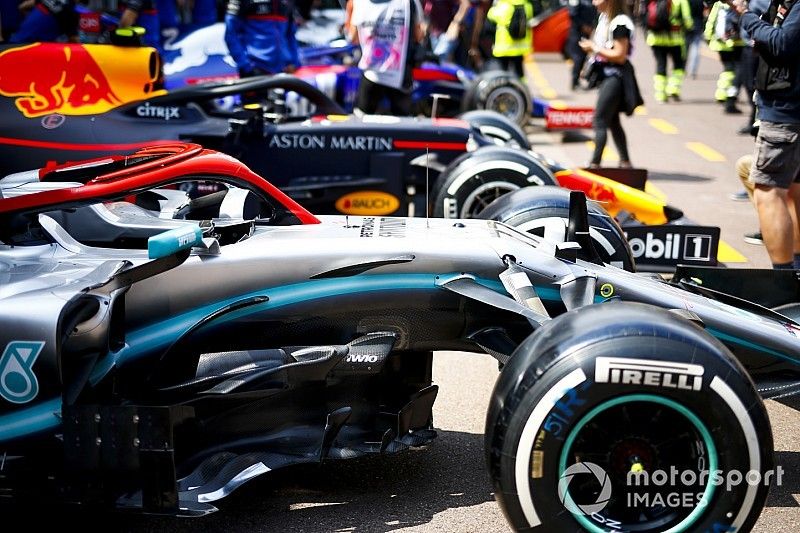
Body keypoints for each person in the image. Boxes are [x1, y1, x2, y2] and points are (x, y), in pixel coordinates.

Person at [726, 0, 800, 269]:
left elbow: (783, 43)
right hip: (786, 110)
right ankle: (795, 272)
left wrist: (747, 17)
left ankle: (784, 281)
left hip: (787, 113)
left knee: (769, 192)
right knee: (792, 190)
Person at [580, 0, 636, 168]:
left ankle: (594, 164)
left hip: (616, 77)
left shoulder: (620, 22)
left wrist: (594, 48)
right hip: (607, 75)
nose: (594, 2)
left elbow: (620, 54)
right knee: (612, 120)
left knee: (600, 120)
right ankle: (625, 162)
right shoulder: (605, 18)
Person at [347, 0, 425, 115]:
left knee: (361, 120)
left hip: (372, 72)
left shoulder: (359, 2)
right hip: (399, 74)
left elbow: (353, 38)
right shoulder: (410, 2)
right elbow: (418, 36)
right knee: (402, 123)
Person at [224, 0, 299, 78]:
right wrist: (245, 66)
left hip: (284, 70)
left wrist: (294, 62)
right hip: (255, 69)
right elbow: (231, 34)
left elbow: (290, 34)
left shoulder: (287, 2)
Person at [641, 0, 693, 103]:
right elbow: (688, 21)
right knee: (678, 64)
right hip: (675, 39)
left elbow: (644, 16)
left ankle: (660, 94)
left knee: (661, 65)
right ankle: (673, 88)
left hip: (655, 39)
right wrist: (688, 27)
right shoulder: (681, 1)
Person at [705, 0, 745, 113]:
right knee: (737, 70)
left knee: (728, 69)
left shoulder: (720, 3)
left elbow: (711, 19)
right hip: (737, 42)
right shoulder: (741, 3)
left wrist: (708, 36)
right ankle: (730, 96)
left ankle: (721, 94)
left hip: (721, 42)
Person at [486, 0, 532, 79]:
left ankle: (505, 88)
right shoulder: (527, 5)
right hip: (520, 48)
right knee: (519, 72)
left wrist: (494, 5)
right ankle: (521, 87)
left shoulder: (503, 6)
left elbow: (491, 15)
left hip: (504, 47)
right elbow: (530, 16)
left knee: (503, 72)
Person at [9, 0, 78, 42]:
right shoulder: (71, 12)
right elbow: (74, 40)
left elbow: (22, 6)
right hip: (32, 47)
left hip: (15, 41)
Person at [567, 0, 598, 90]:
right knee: (578, 57)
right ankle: (574, 82)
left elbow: (595, 12)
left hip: (587, 31)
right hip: (577, 32)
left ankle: (578, 81)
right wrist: (582, 26)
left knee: (584, 57)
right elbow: (572, 14)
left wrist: (592, 26)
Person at [684, 0, 705, 78]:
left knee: (684, 49)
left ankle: (682, 67)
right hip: (698, 26)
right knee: (695, 49)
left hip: (686, 27)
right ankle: (693, 70)